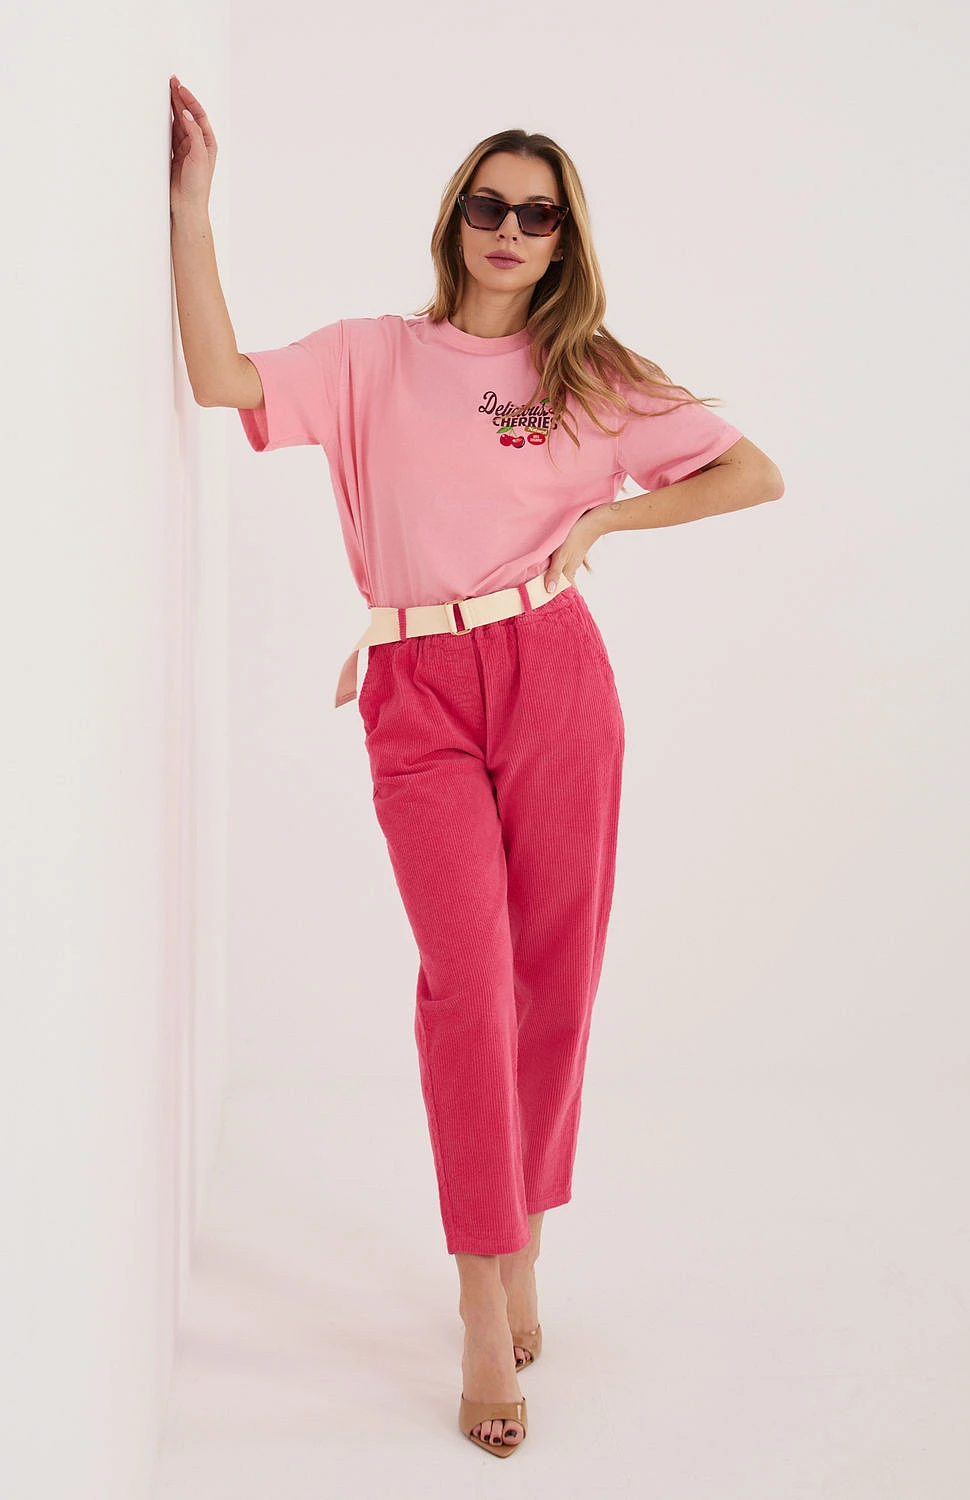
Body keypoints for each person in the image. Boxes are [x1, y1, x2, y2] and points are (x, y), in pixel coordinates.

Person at [169, 74, 784, 1458]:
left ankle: (525, 1244)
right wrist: (193, 211)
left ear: (564, 242)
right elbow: (223, 382)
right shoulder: (374, 356)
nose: (510, 230)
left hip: (553, 672)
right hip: (417, 692)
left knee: (554, 977)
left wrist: (604, 528)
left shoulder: (589, 375)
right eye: (490, 206)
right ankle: (478, 1294)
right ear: (455, 219)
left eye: (538, 216)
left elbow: (752, 473)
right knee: (468, 983)